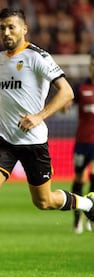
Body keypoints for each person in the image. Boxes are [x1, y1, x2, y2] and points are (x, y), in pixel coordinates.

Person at [0, 8, 94, 273]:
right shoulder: (0, 59)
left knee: (44, 202)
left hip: (34, 141)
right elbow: (1, 95)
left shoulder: (39, 57)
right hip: (4, 137)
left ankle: (87, 204)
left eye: (12, 27)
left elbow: (67, 93)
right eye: (2, 27)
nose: (6, 32)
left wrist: (40, 116)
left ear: (24, 28)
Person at [70, 53, 94, 234]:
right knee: (79, 179)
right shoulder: (81, 87)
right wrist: (65, 105)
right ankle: (77, 218)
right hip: (82, 141)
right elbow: (68, 102)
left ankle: (90, 215)